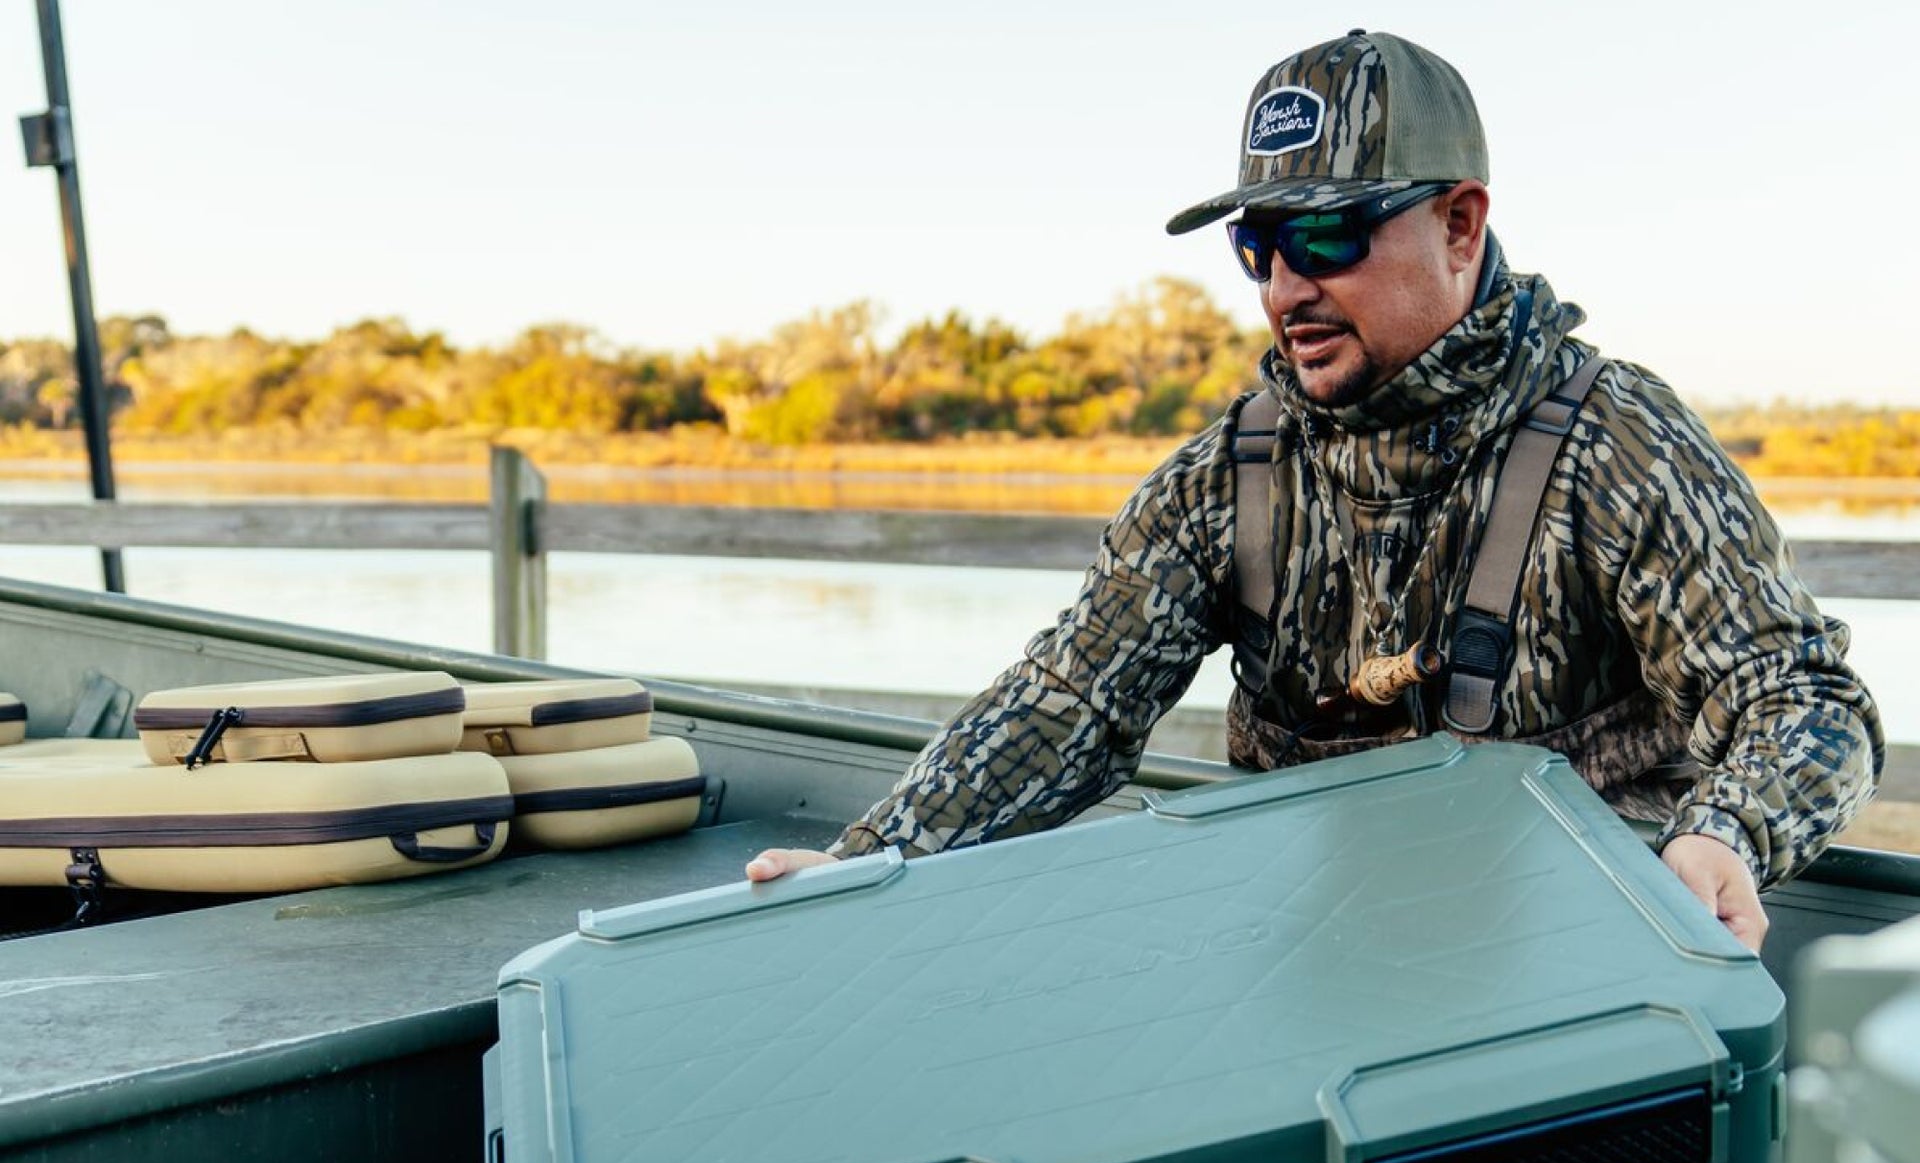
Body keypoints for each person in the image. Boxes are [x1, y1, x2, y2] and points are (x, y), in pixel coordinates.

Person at [746, 30, 1882, 953]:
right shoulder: (1225, 477)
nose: (1288, 284)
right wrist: (869, 863)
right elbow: (1068, 705)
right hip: (1302, 968)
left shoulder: (1618, 442)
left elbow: (1804, 701)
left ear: (1460, 224)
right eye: (1261, 245)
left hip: (1568, 991)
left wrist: (1725, 838)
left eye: (1330, 234)